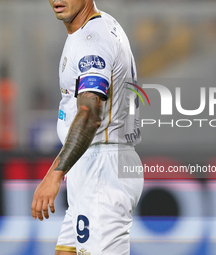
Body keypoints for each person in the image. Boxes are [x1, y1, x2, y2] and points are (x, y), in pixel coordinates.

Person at [31, 0, 144, 254]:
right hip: (92, 163)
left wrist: (55, 173)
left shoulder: (92, 40)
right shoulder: (94, 28)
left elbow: (90, 112)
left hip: (103, 169)